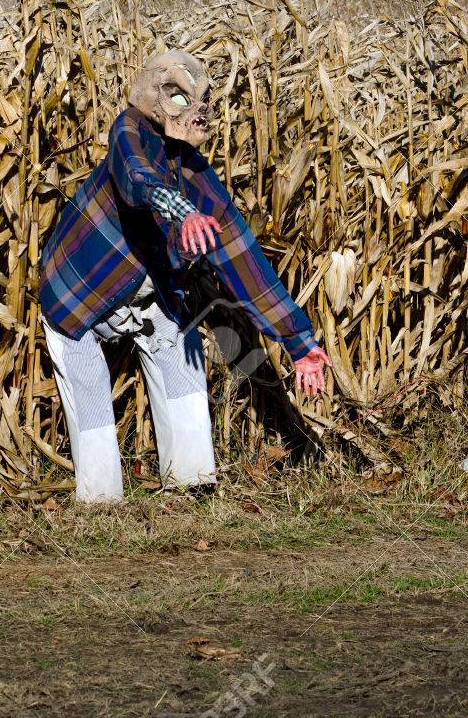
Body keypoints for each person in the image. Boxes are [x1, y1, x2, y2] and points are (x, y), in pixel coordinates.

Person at [38, 49, 331, 502]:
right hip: (80, 295)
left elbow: (243, 260)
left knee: (186, 379)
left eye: (206, 101)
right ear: (156, 98)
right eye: (183, 99)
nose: (202, 114)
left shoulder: (195, 172)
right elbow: (139, 181)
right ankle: (100, 513)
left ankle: (189, 497)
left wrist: (299, 342)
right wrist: (183, 214)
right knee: (94, 423)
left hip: (149, 295)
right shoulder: (128, 133)